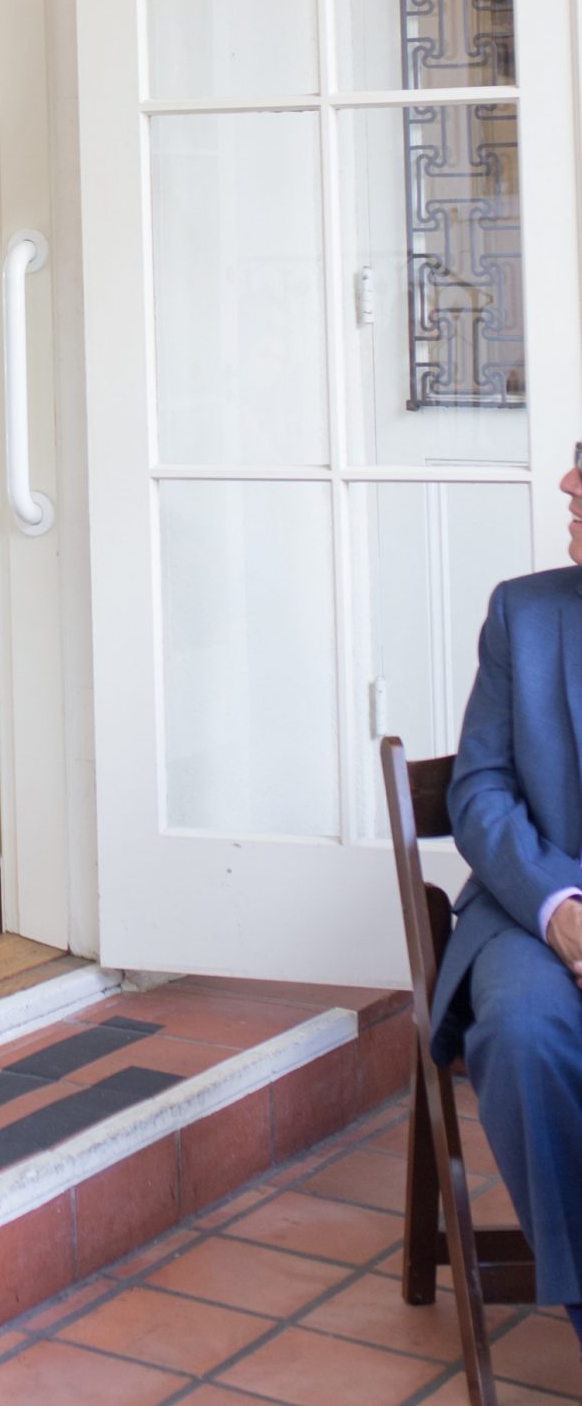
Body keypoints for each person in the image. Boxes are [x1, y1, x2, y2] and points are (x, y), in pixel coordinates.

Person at [430, 458, 582, 1353]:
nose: (567, 484)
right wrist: (557, 903)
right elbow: (479, 789)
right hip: (531, 907)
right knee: (524, 1032)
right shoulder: (521, 614)